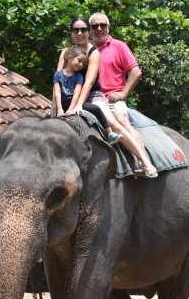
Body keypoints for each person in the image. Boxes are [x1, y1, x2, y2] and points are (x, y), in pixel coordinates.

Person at [57, 17, 158, 178]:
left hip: (98, 97)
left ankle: (145, 162)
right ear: (71, 33)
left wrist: (77, 106)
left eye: (84, 30)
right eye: (76, 30)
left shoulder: (98, 51)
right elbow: (59, 80)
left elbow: (89, 83)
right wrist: (57, 107)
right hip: (73, 97)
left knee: (116, 122)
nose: (80, 33)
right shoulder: (66, 52)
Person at [89, 12, 157, 178]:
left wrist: (123, 93)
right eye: (95, 26)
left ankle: (143, 161)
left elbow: (135, 71)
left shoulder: (119, 46)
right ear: (89, 29)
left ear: (108, 27)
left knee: (122, 121)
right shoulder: (86, 49)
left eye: (102, 25)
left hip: (113, 98)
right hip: (93, 99)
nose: (99, 29)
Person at [53, 46, 122, 145]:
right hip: (62, 104)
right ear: (69, 57)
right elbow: (57, 92)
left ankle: (109, 133)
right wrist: (59, 108)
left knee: (96, 109)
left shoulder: (79, 76)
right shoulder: (58, 75)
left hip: (72, 103)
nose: (81, 65)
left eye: (83, 63)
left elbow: (77, 94)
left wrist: (71, 109)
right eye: (79, 61)